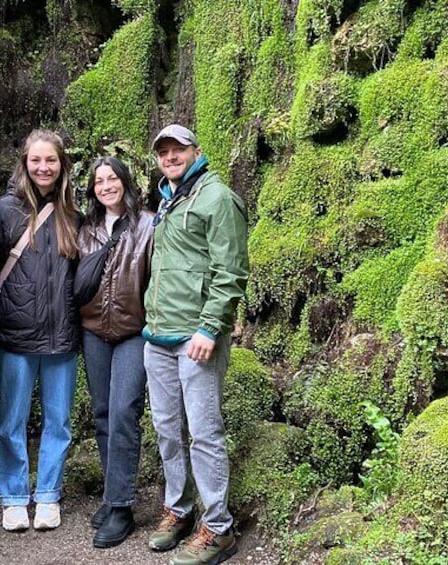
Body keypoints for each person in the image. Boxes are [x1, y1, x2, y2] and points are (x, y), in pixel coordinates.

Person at [143, 124, 249, 565]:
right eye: (163, 151)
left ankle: (218, 527)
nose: (170, 157)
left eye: (178, 149)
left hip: (196, 337)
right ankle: (179, 509)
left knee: (204, 432)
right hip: (158, 335)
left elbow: (231, 271)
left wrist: (210, 328)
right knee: (167, 429)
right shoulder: (169, 199)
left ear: (195, 151)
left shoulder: (216, 198)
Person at [0, 129, 81, 533]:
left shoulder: (73, 213)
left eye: (51, 161)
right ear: (25, 163)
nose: (43, 168)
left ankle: (48, 494)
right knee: (12, 420)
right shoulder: (5, 209)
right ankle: (13, 496)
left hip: (62, 334)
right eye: (36, 160)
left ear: (62, 165)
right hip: (15, 332)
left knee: (59, 421)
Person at [77, 156, 155, 548]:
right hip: (93, 330)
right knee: (103, 412)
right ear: (92, 189)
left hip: (132, 331)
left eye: (112, 178)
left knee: (125, 409)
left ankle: (122, 506)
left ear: (125, 182)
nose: (106, 185)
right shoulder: (86, 229)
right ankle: (112, 496)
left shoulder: (148, 225)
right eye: (99, 181)